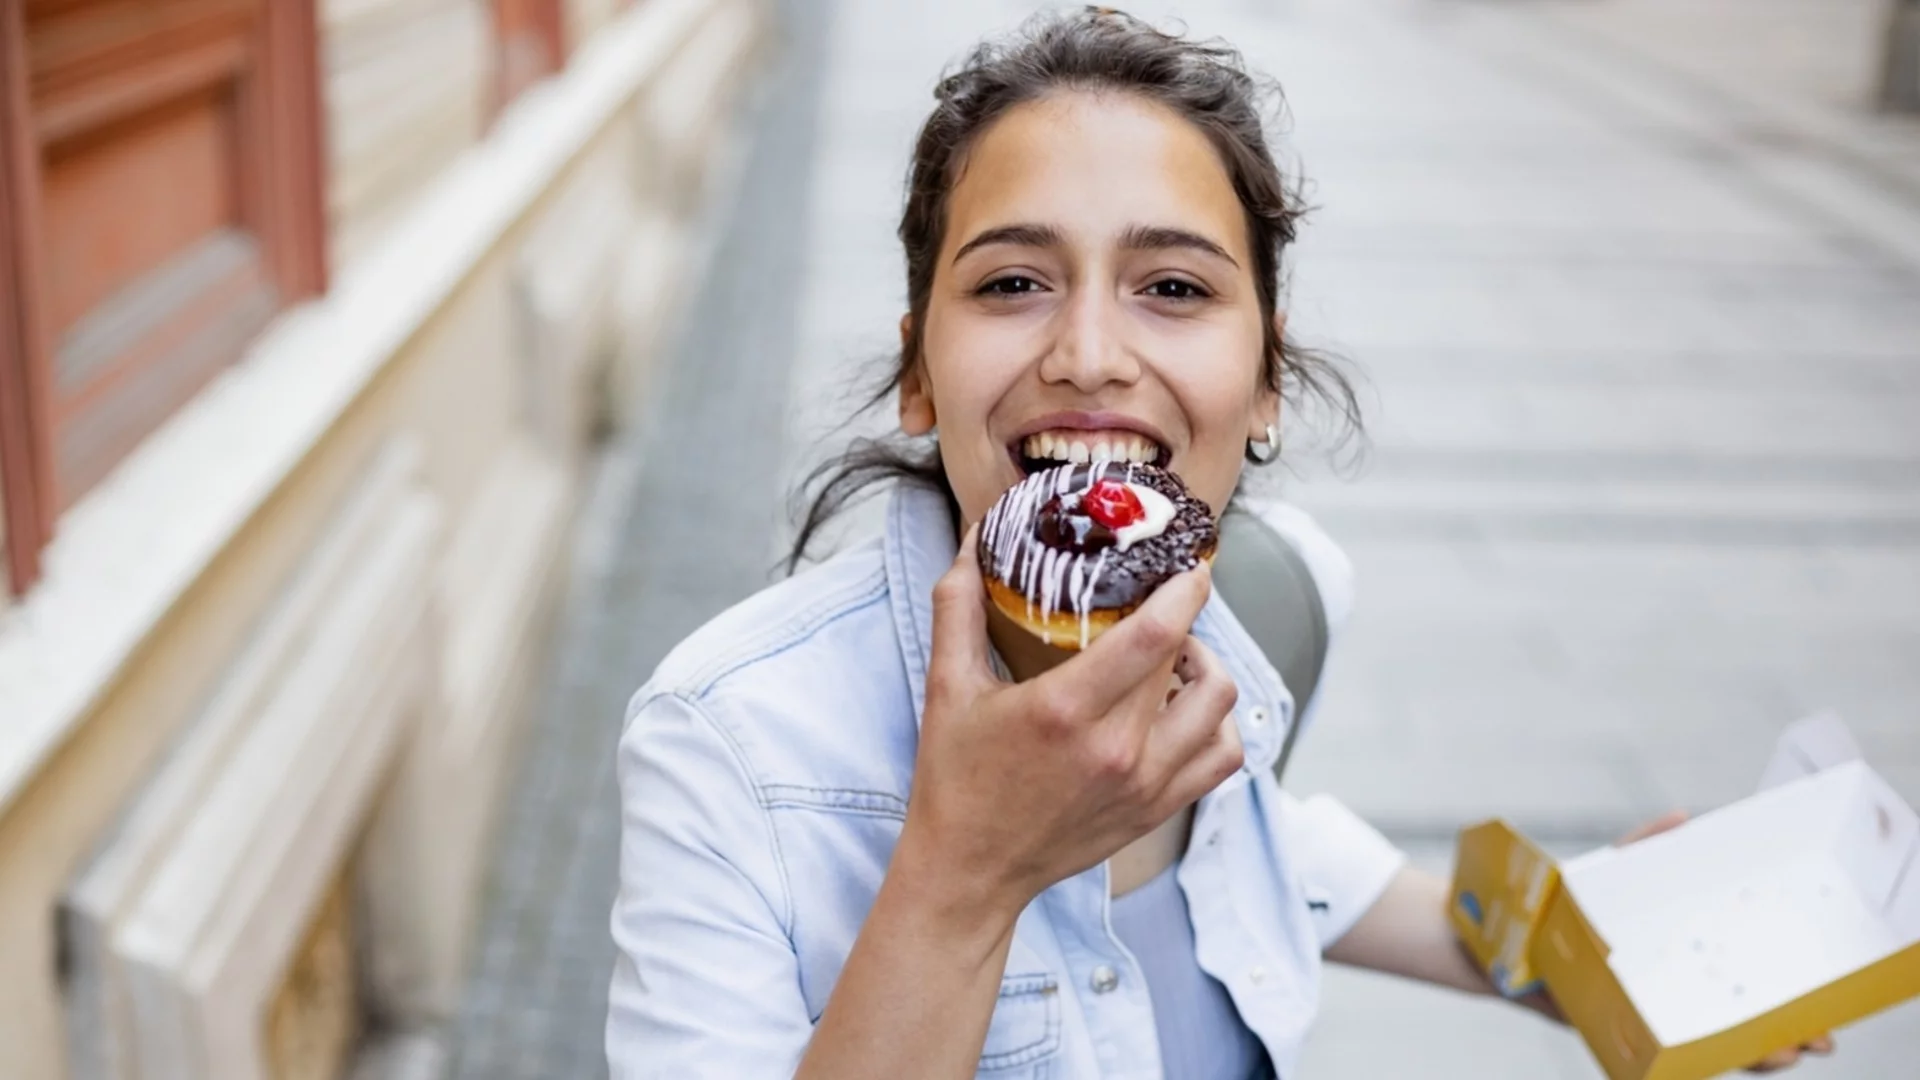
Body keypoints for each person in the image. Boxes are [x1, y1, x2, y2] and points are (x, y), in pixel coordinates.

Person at [606, 9, 1833, 1077]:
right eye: (1012, 283)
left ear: (1265, 385)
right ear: (919, 372)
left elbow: (1279, 857)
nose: (1089, 353)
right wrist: (966, 871)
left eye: (1176, 289)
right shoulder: (730, 746)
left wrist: (1582, 945)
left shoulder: (1263, 610)